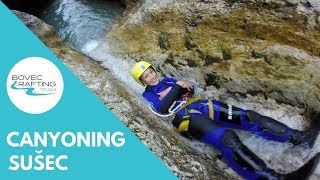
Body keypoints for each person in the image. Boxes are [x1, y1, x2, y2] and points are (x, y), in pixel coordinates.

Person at [131, 61, 320, 180]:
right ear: (143, 82)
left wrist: (182, 87)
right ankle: (272, 178)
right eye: (146, 76)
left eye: (151, 71)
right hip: (186, 119)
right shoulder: (147, 95)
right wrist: (177, 89)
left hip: (202, 105)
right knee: (227, 138)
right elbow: (162, 109)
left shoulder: (169, 81)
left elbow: (189, 90)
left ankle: (300, 138)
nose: (152, 76)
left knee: (249, 117)